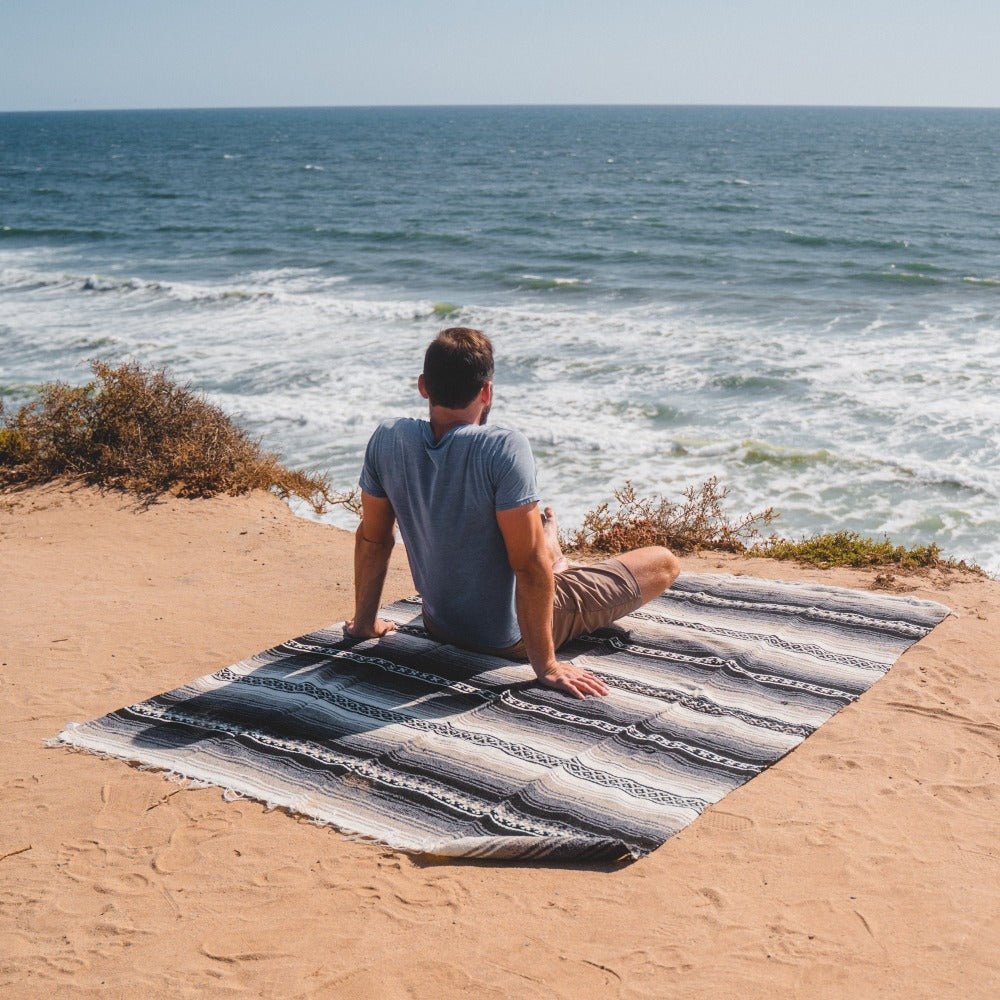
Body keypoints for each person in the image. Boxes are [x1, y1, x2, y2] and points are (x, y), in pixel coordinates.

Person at [346, 327, 680, 699]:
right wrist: (546, 666)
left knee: (532, 547)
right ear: (486, 391)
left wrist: (364, 625)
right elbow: (527, 565)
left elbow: (373, 538)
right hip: (507, 637)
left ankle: (551, 548)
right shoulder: (503, 447)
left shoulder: (388, 438)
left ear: (424, 386)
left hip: (439, 623)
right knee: (662, 562)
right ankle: (558, 558)